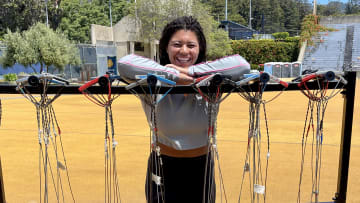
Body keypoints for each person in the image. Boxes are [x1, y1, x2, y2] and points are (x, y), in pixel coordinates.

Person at [118, 16, 250, 203]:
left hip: (202, 168)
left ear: (200, 49)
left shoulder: (211, 81)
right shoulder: (153, 81)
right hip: (162, 166)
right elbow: (125, 64)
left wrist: (190, 72)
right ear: (165, 47)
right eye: (177, 44)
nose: (184, 51)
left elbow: (242, 65)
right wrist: (172, 74)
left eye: (191, 45)